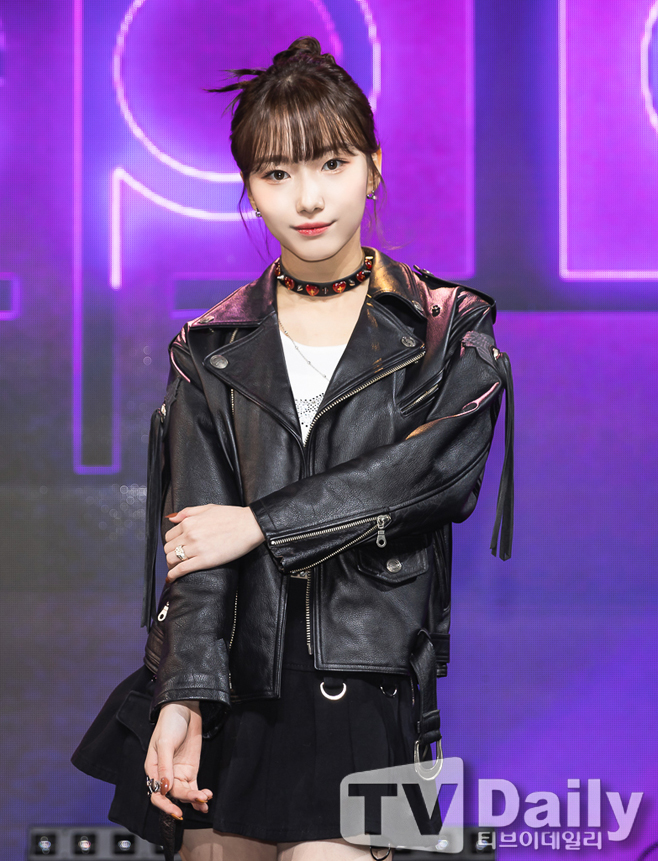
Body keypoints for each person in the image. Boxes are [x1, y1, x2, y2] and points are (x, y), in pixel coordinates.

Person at [72, 36, 513, 861]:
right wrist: (182, 697)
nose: (308, 198)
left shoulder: (445, 326)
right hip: (233, 699)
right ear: (248, 188)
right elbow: (198, 553)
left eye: (332, 164)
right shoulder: (210, 349)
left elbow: (433, 477)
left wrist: (259, 523)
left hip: (370, 693)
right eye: (276, 173)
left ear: (372, 168)